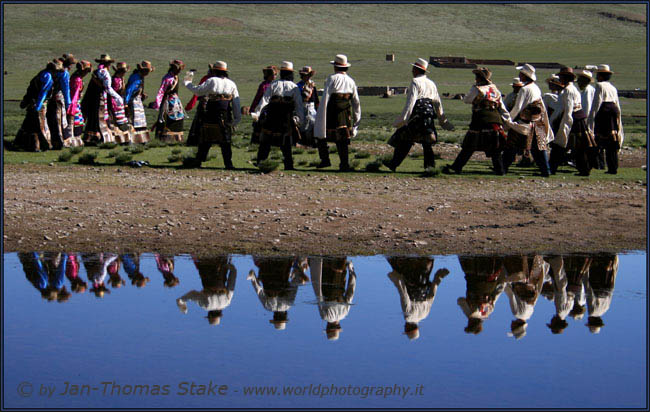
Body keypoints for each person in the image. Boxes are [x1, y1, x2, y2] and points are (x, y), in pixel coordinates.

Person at [385, 58, 454, 172]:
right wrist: (443, 121)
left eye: (413, 68)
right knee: (426, 143)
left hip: (417, 115)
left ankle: (394, 164)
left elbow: (411, 102)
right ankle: (430, 167)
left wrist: (403, 119)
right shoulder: (432, 83)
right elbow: (437, 103)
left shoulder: (415, 82)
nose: (412, 70)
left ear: (416, 70)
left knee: (405, 139)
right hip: (428, 116)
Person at [443, 67, 507, 175]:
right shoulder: (495, 89)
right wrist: (507, 120)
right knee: (494, 146)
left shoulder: (477, 89)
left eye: (477, 76)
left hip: (480, 120)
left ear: (479, 77)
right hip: (495, 119)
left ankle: (456, 167)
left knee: (469, 146)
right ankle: (500, 170)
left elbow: (467, 100)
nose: (475, 78)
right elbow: (501, 106)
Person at [183, 60, 241, 169]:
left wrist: (187, 82)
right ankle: (228, 164)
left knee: (206, 138)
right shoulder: (232, 83)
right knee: (225, 140)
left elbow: (198, 91)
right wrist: (237, 118)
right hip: (225, 114)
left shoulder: (212, 81)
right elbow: (236, 103)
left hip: (211, 112)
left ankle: (198, 161)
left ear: (214, 71)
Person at [502, 64, 554, 177]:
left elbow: (518, 107)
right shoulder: (536, 87)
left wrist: (508, 120)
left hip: (525, 122)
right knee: (540, 147)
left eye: (521, 73)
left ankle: (503, 168)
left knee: (511, 145)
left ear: (525, 75)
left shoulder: (524, 89)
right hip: (538, 122)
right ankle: (546, 170)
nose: (519, 75)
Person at [252, 61, 304, 170]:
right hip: (286, 118)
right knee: (286, 143)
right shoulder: (294, 87)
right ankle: (288, 165)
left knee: (266, 141)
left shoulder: (273, 85)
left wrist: (258, 114)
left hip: (272, 116)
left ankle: (261, 161)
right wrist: (299, 119)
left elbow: (264, 101)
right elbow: (299, 105)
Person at [313, 54, 361, 171]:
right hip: (345, 114)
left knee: (322, 135)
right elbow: (356, 102)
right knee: (343, 140)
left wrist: (320, 114)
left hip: (331, 113)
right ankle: (344, 164)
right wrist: (356, 120)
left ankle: (325, 160)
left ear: (335, 67)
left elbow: (326, 97)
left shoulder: (331, 78)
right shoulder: (351, 81)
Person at [549, 67, 597, 176]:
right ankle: (583, 169)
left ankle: (552, 168)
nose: (559, 79)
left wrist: (564, 125)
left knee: (564, 145)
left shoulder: (568, 90)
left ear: (566, 78)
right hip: (577, 119)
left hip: (573, 120)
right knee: (578, 147)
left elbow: (568, 110)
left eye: (561, 77)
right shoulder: (572, 89)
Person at [387, 257, 449, 340]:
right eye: (406, 329)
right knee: (392, 258)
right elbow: (404, 295)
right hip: (411, 281)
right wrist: (396, 280)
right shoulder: (408, 316)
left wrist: (438, 277)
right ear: (408, 328)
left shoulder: (425, 315)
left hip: (424, 282)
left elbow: (431, 296)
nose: (404, 327)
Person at [247, 257, 309, 330]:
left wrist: (299, 274)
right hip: (266, 267)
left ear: (285, 316)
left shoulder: (288, 305)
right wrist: (253, 277)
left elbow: (293, 286)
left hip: (283, 266)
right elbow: (259, 290)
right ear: (274, 316)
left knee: (299, 262)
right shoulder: (268, 307)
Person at [13, 59, 62, 151]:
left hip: (33, 102)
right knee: (40, 124)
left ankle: (26, 144)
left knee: (29, 124)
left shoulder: (42, 73)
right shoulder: (48, 77)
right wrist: (39, 106)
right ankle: (43, 145)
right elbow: (43, 92)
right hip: (39, 103)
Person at [177, 256, 237, 326]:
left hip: (221, 264)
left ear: (220, 313)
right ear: (210, 314)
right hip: (205, 266)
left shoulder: (226, 302)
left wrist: (231, 267)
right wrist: (182, 301)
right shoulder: (207, 306)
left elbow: (231, 283)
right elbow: (192, 294)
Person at [588, 64, 624, 174]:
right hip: (613, 113)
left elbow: (597, 103)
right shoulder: (612, 87)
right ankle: (613, 167)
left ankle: (588, 165)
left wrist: (591, 119)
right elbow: (617, 104)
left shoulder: (599, 86)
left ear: (600, 76)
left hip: (604, 114)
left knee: (597, 141)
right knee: (612, 142)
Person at [457, 256, 506, 335]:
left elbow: (497, 293)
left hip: (490, 280)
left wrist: (502, 281)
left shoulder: (488, 311)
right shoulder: (470, 313)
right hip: (473, 279)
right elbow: (460, 300)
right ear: (470, 323)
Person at [310, 257, 356, 341]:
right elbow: (320, 298)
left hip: (340, 281)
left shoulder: (344, 313)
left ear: (339, 326)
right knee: (326, 257)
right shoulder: (325, 317)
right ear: (327, 327)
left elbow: (350, 294)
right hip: (325, 281)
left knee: (340, 257)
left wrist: (352, 273)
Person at [81, 54, 122, 145]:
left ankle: (90, 137)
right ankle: (99, 138)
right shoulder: (105, 73)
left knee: (93, 117)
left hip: (93, 97)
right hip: (100, 98)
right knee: (100, 117)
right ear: (109, 64)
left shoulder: (97, 72)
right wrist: (117, 97)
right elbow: (108, 88)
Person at [503, 255, 547, 338]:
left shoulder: (529, 314)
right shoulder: (516, 313)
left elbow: (536, 295)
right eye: (512, 328)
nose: (510, 326)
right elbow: (511, 295)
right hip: (518, 281)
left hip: (531, 282)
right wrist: (504, 284)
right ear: (515, 326)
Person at [150, 59, 186, 143]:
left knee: (178, 119)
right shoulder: (167, 78)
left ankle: (176, 139)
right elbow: (161, 91)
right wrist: (158, 104)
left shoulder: (175, 77)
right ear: (174, 68)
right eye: (179, 69)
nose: (180, 71)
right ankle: (165, 138)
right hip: (168, 102)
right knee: (167, 120)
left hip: (175, 102)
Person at [584, 254, 618, 334]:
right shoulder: (592, 312)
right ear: (591, 321)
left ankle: (606, 258)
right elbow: (590, 296)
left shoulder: (605, 310)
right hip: (597, 290)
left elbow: (609, 296)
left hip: (607, 289)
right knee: (595, 270)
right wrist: (585, 277)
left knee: (604, 271)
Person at [47, 54, 75, 149]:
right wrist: (68, 102)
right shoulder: (64, 73)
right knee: (61, 120)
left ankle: (50, 139)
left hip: (50, 98)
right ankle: (62, 141)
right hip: (59, 98)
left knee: (51, 118)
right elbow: (65, 89)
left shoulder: (55, 72)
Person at [124, 60, 155, 144]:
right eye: (146, 71)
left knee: (140, 120)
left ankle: (141, 139)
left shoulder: (140, 77)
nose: (147, 73)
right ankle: (133, 139)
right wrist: (126, 104)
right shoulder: (136, 78)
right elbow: (129, 91)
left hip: (137, 100)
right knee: (134, 120)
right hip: (133, 101)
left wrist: (141, 94)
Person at [184, 66, 216, 147]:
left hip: (204, 104)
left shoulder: (207, 79)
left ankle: (197, 140)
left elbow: (196, 90)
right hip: (215, 105)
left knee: (200, 122)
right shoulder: (223, 81)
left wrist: (189, 74)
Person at [65, 60, 92, 147]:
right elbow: (74, 95)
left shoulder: (75, 78)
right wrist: (72, 107)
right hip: (74, 104)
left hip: (76, 103)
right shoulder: (77, 80)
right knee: (76, 122)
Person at [249, 65, 277, 144]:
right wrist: (253, 109)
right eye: (273, 74)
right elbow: (258, 98)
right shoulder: (264, 86)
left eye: (275, 74)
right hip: (263, 108)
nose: (274, 76)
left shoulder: (275, 85)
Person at [108, 61, 134, 144]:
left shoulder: (120, 79)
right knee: (118, 120)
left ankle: (123, 138)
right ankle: (119, 138)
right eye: (122, 71)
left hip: (120, 101)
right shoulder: (115, 80)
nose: (124, 73)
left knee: (121, 119)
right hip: (115, 102)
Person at [296, 65, 320, 147]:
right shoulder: (298, 86)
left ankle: (312, 142)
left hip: (312, 107)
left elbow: (316, 98)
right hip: (302, 106)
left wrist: (318, 108)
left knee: (312, 124)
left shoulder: (312, 85)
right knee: (303, 124)